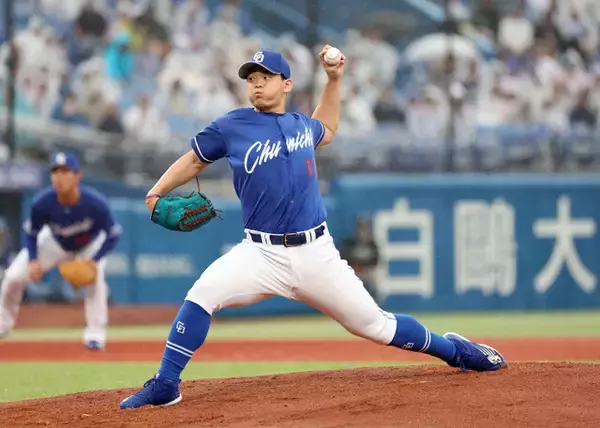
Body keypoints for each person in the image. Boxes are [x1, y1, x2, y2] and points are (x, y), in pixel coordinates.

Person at [120, 47, 507, 410]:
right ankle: (166, 384)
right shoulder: (231, 126)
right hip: (260, 253)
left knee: (375, 326)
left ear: (286, 84)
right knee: (202, 294)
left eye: (265, 77)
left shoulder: (301, 126)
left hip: (316, 253)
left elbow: (328, 127)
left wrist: (334, 79)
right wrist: (156, 192)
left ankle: (455, 351)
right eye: (251, 78)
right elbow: (194, 161)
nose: (256, 84)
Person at [0, 152, 121, 350]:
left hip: (88, 246)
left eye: (65, 171)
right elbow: (31, 233)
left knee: (96, 279)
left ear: (77, 176)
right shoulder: (42, 202)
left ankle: (95, 334)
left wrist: (94, 260)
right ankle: (3, 324)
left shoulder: (95, 204)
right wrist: (33, 260)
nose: (59, 177)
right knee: (13, 276)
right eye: (55, 172)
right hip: (54, 243)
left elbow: (113, 235)